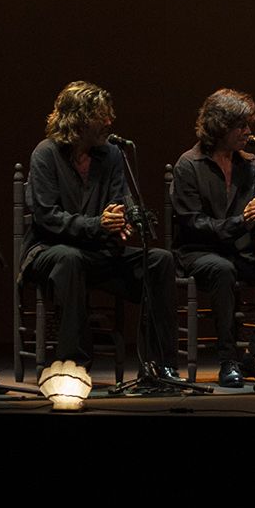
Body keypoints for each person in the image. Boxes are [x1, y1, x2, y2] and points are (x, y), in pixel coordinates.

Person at [21, 80, 181, 382]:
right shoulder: (46, 154)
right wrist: (99, 224)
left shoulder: (111, 155)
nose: (110, 121)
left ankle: (160, 366)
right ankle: (73, 366)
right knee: (70, 259)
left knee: (160, 261)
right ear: (79, 120)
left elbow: (120, 201)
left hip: (98, 252)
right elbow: (47, 218)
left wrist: (125, 221)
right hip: (49, 251)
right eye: (101, 115)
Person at [170, 88, 255, 388]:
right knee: (222, 270)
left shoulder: (250, 164)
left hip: (239, 251)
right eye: (241, 126)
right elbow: (193, 224)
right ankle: (227, 360)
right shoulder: (189, 165)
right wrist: (242, 220)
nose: (248, 132)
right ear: (220, 127)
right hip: (197, 253)